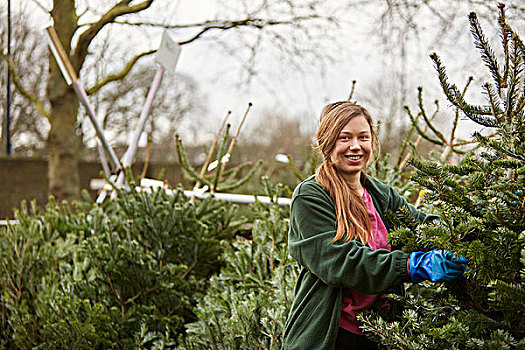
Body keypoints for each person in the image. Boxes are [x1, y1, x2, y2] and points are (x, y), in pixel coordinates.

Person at [282, 101, 468, 350]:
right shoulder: (311, 196)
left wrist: (467, 228)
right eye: (344, 138)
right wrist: (412, 265)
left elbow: (421, 225)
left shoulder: (380, 194)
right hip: (335, 335)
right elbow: (340, 262)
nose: (355, 146)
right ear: (327, 143)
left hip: (381, 331)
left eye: (363, 137)